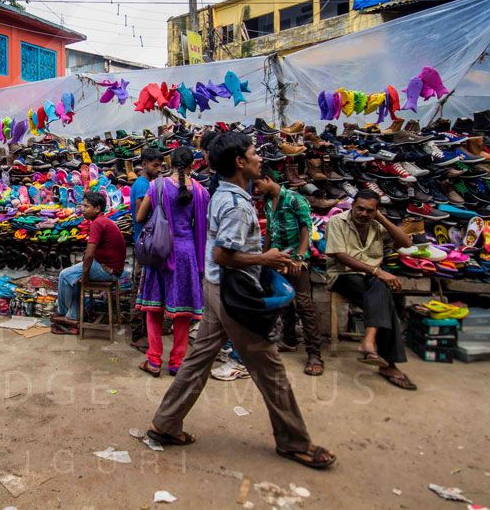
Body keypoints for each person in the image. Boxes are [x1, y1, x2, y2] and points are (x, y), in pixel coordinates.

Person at [147, 132, 335, 470]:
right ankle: (295, 442)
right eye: (253, 153)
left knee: (198, 360)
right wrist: (266, 259)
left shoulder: (225, 195)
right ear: (239, 162)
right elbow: (223, 254)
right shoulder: (234, 204)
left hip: (216, 289)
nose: (259, 158)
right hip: (233, 295)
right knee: (270, 368)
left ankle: (166, 423)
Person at [325, 189, 416, 390]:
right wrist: (377, 271)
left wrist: (382, 218)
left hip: (371, 280)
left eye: (370, 211)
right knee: (383, 290)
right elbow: (340, 256)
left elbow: (406, 243)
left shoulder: (375, 223)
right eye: (360, 209)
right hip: (343, 276)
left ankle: (370, 342)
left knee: (381, 291)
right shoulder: (337, 222)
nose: (364, 214)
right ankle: (388, 364)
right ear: (352, 206)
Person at [134, 146, 209, 376]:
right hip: (187, 253)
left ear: (170, 161)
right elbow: (202, 227)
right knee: (183, 312)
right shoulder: (200, 191)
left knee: (154, 308)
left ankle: (154, 360)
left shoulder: (157, 186)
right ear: (192, 165)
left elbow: (139, 216)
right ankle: (177, 362)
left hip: (160, 250)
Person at [253, 170, 324, 376]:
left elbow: (306, 229)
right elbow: (270, 233)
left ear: (268, 179)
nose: (257, 190)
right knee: (283, 301)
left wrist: (300, 258)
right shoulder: (268, 202)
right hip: (277, 258)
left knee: (304, 304)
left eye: (258, 185)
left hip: (294, 259)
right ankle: (289, 339)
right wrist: (263, 256)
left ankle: (314, 355)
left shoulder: (294, 199)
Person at [52, 190, 127, 335]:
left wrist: (85, 273)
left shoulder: (98, 223)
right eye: (82, 206)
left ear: (97, 208)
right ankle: (73, 316)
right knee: (74, 278)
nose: (82, 209)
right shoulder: (103, 221)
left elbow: (90, 254)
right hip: (111, 269)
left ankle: (61, 313)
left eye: (86, 207)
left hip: (107, 271)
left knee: (64, 275)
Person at [128, 147, 163, 350]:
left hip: (148, 241)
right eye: (155, 165)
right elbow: (141, 214)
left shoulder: (146, 184)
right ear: (144, 165)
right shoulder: (142, 185)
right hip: (144, 242)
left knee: (145, 286)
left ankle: (146, 331)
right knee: (140, 287)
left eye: (160, 166)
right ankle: (137, 334)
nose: (158, 170)